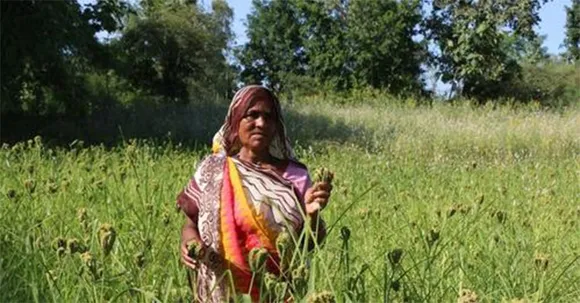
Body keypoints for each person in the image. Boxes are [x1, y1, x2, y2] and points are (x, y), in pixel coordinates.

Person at [176, 85, 332, 302]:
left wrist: (313, 215)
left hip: (279, 292)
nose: (261, 123)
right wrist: (188, 242)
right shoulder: (213, 170)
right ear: (236, 121)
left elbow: (310, 244)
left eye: (269, 117)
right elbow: (190, 225)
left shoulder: (296, 175)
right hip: (223, 290)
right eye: (252, 115)